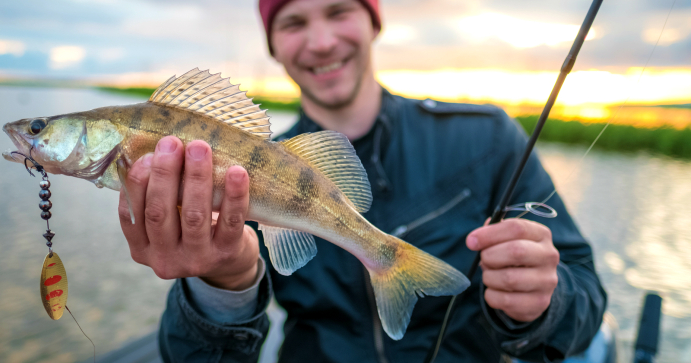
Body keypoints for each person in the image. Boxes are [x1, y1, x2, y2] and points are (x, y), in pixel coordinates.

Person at [116, 0, 607, 361]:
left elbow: (585, 289)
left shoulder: (487, 138)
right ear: (274, 45)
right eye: (293, 22)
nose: (322, 41)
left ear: (373, 22)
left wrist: (544, 300)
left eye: (338, 11)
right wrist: (222, 285)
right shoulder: (233, 174)